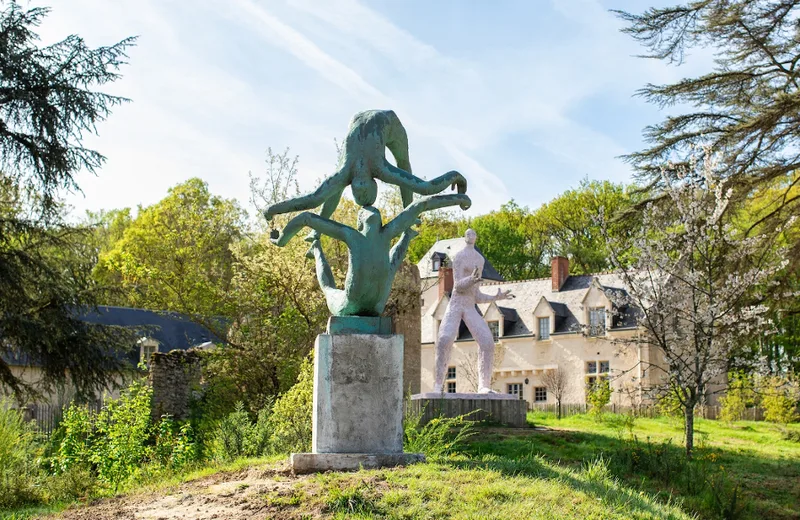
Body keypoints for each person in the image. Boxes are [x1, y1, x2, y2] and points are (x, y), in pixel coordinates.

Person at [262, 110, 467, 240]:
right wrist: (272, 209)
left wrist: (456, 177)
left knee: (400, 165)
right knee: (401, 166)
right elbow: (310, 200)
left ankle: (315, 232)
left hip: (379, 122)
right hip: (366, 120)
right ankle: (408, 218)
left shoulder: (365, 170)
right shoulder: (373, 170)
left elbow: (427, 188)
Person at [270, 193, 472, 316]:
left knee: (329, 288)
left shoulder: (354, 236)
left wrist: (281, 240)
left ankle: (315, 249)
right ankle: (407, 237)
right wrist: (458, 199)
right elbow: (420, 205)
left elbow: (306, 217)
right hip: (376, 305)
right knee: (390, 263)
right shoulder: (386, 232)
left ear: (359, 223)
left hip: (351, 304)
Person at [433, 229, 513, 394]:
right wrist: (471, 279)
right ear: (465, 237)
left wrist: (495, 297)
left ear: (476, 238)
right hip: (456, 304)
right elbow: (458, 287)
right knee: (445, 339)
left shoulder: (479, 259)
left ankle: (484, 386)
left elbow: (476, 294)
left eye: (473, 234)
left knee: (487, 343)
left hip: (469, 306)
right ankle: (438, 385)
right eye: (468, 234)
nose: (471, 236)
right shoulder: (459, 256)